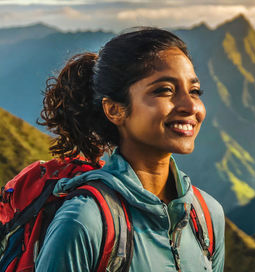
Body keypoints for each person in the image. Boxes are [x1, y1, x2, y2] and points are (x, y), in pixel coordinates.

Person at [35, 27, 225, 271]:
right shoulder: (84, 222)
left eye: (194, 91)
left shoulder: (208, 217)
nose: (190, 106)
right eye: (165, 90)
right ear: (114, 110)